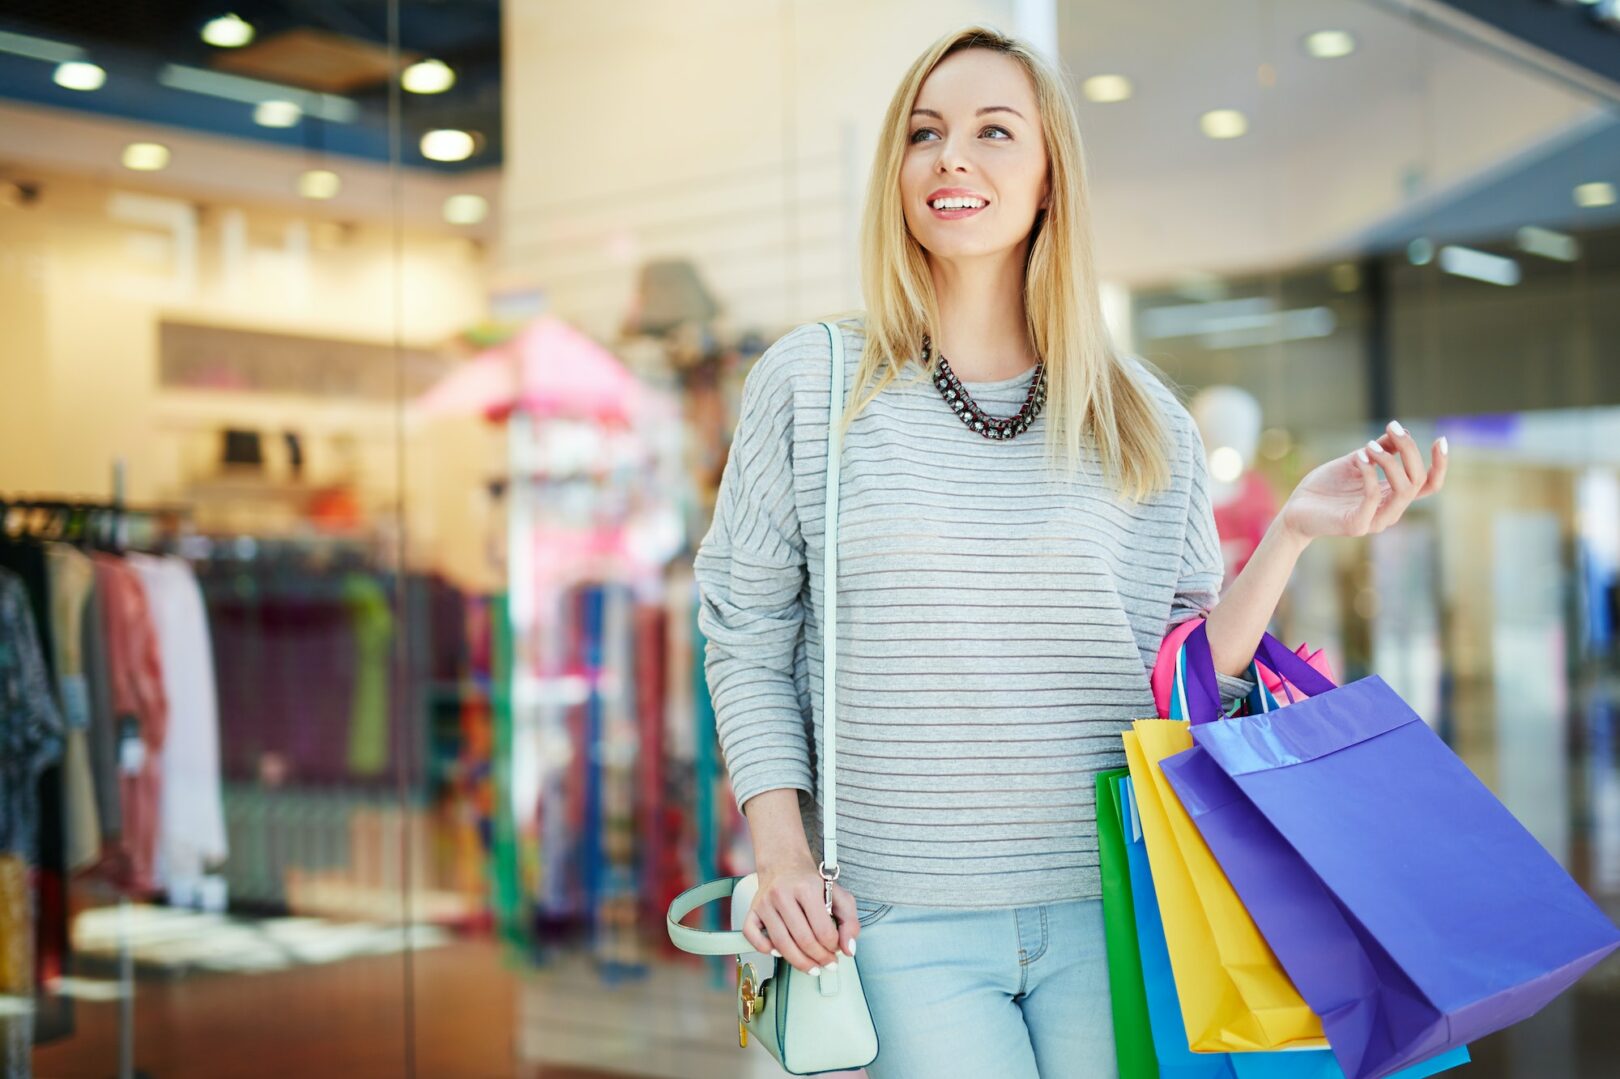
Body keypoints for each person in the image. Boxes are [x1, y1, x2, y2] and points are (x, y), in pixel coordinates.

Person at [692, 24, 1447, 1079]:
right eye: (925, 133)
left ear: (1050, 178)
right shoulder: (812, 383)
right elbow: (744, 632)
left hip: (1118, 909)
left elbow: (1189, 676)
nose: (952, 156)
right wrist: (778, 856)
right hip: (899, 916)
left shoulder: (1142, 417)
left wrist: (1292, 532)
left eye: (994, 131)